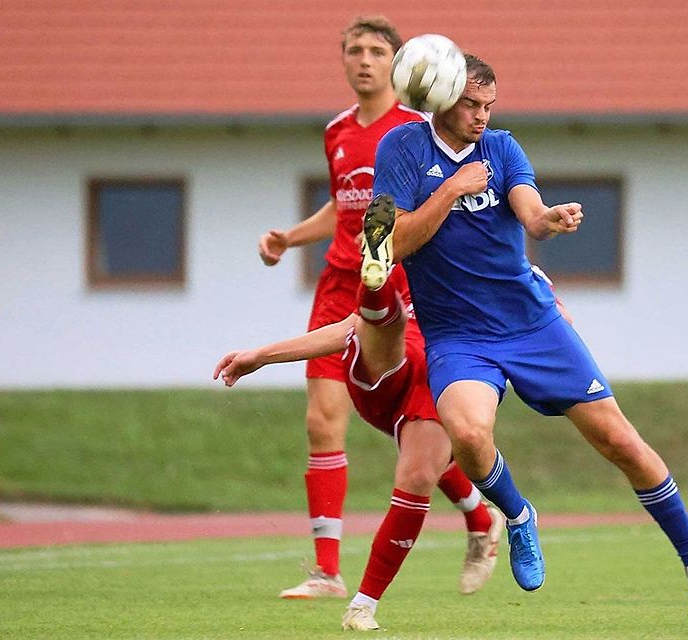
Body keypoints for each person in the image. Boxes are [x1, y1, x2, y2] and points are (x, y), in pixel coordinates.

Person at [369, 54, 688, 625]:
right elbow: (390, 243)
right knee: (465, 431)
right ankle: (518, 516)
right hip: (458, 335)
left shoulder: (504, 149)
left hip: (532, 325)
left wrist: (550, 218)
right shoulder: (400, 152)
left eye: (490, 106)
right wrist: (453, 190)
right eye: (472, 106)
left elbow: (530, 214)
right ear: (441, 99)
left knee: (621, 443)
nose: (483, 117)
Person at [214, 204, 506, 630]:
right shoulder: (420, 260)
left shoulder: (482, 262)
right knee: (379, 328)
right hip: (387, 371)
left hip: (446, 372)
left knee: (419, 474)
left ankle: (362, 605)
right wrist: (260, 355)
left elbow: (531, 309)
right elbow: (343, 329)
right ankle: (378, 292)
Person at [255, 16, 429, 599]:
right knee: (321, 420)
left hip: (397, 287)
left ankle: (479, 518)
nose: (363, 60)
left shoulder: (417, 131)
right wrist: (288, 238)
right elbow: (341, 205)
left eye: (377, 51)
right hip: (337, 282)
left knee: (411, 423)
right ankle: (327, 572)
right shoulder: (335, 131)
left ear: (396, 64)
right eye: (354, 50)